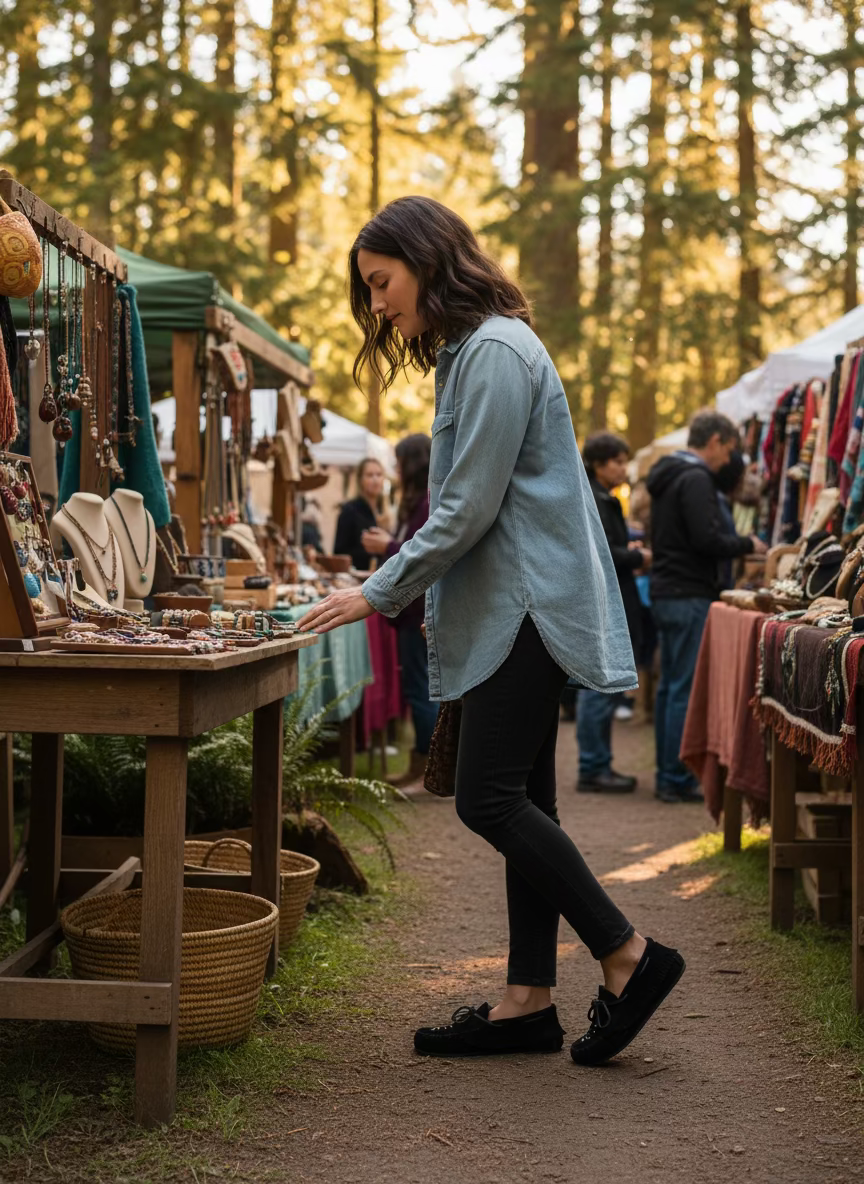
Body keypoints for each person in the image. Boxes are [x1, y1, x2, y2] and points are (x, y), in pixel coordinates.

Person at [298, 195, 685, 1066]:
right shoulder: (474, 353)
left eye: (381, 282)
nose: (376, 305)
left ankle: (629, 955)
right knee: (527, 803)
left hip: (526, 609)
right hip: (513, 607)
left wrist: (379, 589)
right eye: (367, 291)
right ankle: (527, 1001)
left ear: (427, 261)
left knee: (488, 800)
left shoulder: (498, 352)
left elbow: (467, 509)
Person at [647, 411, 767, 804]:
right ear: (714, 441)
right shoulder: (695, 478)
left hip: (667, 591)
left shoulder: (669, 475)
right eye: (729, 449)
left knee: (670, 687)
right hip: (688, 593)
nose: (727, 460)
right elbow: (706, 539)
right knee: (681, 688)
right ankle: (675, 778)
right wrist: (747, 544)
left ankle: (669, 772)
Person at [362, 434, 439, 785]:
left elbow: (422, 555)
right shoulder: (417, 501)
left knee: (421, 690)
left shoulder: (426, 503)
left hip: (418, 611)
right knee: (419, 687)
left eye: (397, 462)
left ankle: (430, 767)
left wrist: (388, 545)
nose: (393, 469)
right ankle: (425, 764)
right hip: (412, 610)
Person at [577, 432, 649, 793]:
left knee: (600, 684)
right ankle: (593, 766)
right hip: (602, 599)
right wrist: (638, 556)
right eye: (617, 461)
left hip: (607, 596)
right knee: (597, 685)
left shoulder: (602, 496)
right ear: (599, 463)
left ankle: (597, 764)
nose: (623, 468)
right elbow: (603, 552)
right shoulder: (594, 497)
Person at [333, 457, 385, 571]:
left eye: (379, 474)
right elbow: (339, 552)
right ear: (360, 479)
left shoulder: (384, 511)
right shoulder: (350, 510)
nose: (375, 479)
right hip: (356, 577)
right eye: (370, 475)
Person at [714, 451, 746, 591]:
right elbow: (715, 541)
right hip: (712, 586)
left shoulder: (719, 500)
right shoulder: (717, 501)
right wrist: (747, 544)